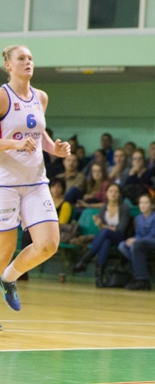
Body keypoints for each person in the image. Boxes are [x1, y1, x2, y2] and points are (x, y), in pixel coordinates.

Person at [0, 45, 71, 314]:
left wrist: (55, 149)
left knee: (48, 245)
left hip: (35, 183)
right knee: (3, 251)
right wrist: (14, 145)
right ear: (8, 65)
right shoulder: (2, 97)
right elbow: (17, 140)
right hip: (5, 185)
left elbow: (39, 136)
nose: (27, 62)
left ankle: (8, 279)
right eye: (21, 58)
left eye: (30, 58)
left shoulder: (40, 97)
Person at [72, 183, 131, 287]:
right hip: (107, 237)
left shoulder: (124, 208)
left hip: (120, 237)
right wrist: (100, 225)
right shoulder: (103, 208)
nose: (113, 194)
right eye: (111, 191)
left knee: (105, 232)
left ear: (119, 194)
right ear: (106, 194)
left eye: (116, 191)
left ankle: (86, 259)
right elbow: (101, 228)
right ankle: (99, 279)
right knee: (105, 242)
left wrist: (103, 226)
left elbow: (121, 229)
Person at [118, 193, 155, 266]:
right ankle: (140, 264)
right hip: (140, 241)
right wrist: (132, 239)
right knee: (122, 245)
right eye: (141, 203)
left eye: (146, 203)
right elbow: (138, 234)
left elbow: (153, 235)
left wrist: (136, 240)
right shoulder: (138, 218)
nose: (143, 205)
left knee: (135, 245)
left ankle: (138, 266)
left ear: (152, 205)